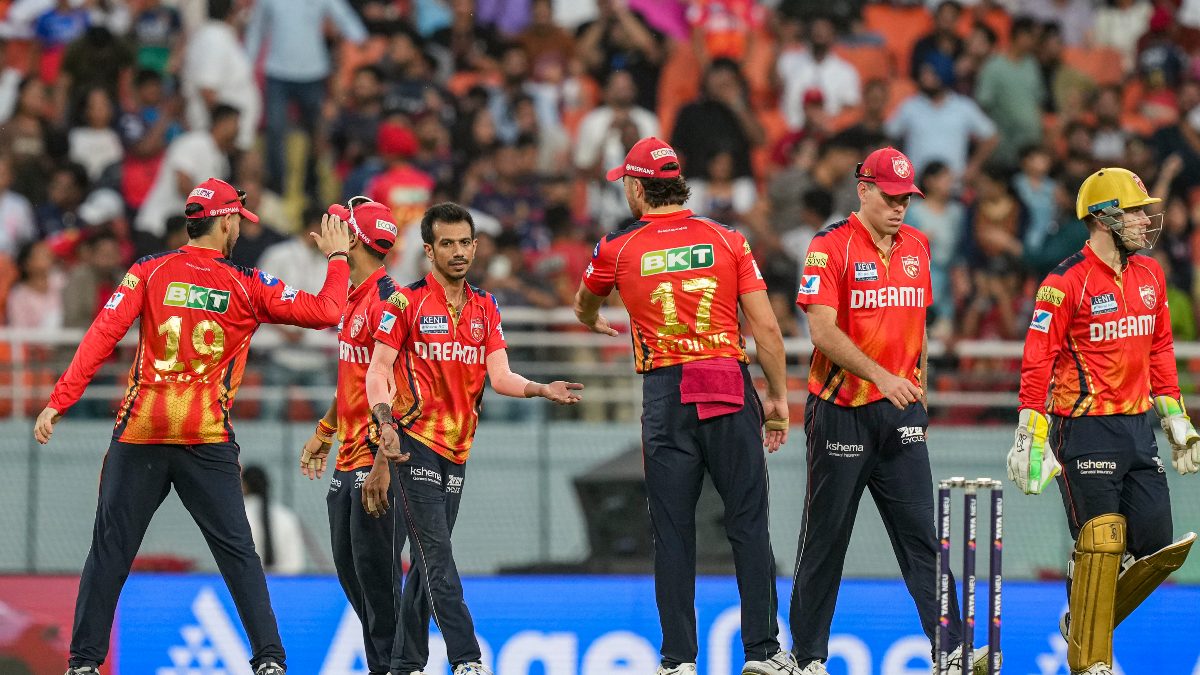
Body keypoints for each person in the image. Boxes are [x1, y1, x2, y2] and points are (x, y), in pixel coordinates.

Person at [33, 177, 353, 675]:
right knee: (239, 554)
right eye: (237, 223)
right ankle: (269, 660)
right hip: (205, 435)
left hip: (141, 431)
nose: (239, 232)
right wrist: (337, 258)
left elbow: (103, 333)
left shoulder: (147, 270)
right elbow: (328, 311)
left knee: (110, 551)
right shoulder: (247, 284)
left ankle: (83, 664)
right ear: (225, 221)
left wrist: (60, 400)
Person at [574, 137, 793, 675]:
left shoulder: (617, 248)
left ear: (635, 187)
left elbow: (584, 301)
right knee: (748, 522)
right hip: (725, 379)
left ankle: (677, 661)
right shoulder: (728, 239)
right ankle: (763, 653)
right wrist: (779, 399)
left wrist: (588, 320)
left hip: (665, 392)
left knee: (672, 531)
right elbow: (765, 327)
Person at [791, 147, 993, 675]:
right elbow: (820, 330)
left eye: (907, 198)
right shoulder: (828, 246)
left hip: (901, 415)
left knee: (922, 537)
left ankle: (949, 649)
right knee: (827, 537)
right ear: (864, 190)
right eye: (891, 196)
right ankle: (808, 657)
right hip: (841, 410)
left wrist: (918, 385)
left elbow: (918, 324)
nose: (900, 207)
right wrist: (880, 375)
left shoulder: (918, 246)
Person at [365, 202, 583, 675]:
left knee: (426, 565)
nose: (459, 251)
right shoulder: (404, 302)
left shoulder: (486, 306)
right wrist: (384, 423)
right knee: (438, 556)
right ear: (429, 250)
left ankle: (404, 665)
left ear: (476, 246)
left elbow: (499, 376)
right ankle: (467, 660)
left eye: (465, 242)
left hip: (458, 450)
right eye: (448, 243)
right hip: (412, 442)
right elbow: (377, 370)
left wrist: (541, 388)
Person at [1008, 167, 1199, 675]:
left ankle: (1082, 613)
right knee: (1102, 539)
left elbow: (1160, 349)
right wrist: (1032, 429)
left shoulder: (1151, 275)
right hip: (1085, 426)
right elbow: (1038, 356)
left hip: (1138, 428)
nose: (1143, 220)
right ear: (1102, 217)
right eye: (1134, 211)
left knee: (1158, 546)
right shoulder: (1064, 281)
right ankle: (1093, 659)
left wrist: (1175, 414)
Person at [298, 197, 409, 675]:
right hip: (349, 456)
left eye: (342, 229)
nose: (332, 234)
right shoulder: (357, 297)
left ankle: (399, 667)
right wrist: (326, 429)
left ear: (358, 241)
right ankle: (388, 664)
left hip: (376, 461)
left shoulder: (390, 302)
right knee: (355, 577)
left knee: (378, 584)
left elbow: (403, 394)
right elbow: (354, 378)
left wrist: (384, 464)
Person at [242, 465, 305, 575]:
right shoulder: (287, 516)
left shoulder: (239, 516)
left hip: (247, 583)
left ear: (245, 485)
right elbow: (296, 564)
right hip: (286, 584)